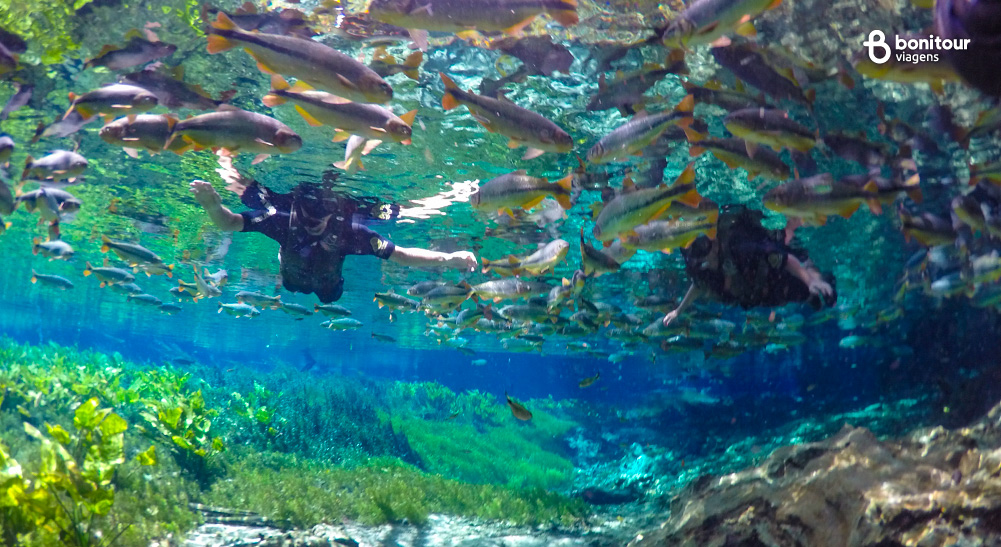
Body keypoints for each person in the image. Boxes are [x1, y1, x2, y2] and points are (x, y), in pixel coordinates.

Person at [190, 170, 477, 303]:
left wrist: (212, 203)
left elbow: (229, 222)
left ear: (282, 255)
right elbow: (400, 255)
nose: (312, 221)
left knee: (228, 169)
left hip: (304, 172)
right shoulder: (352, 235)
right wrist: (449, 258)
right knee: (402, 211)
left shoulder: (277, 221)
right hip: (349, 177)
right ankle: (457, 193)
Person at [662, 204, 836, 326]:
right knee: (791, 295)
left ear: (714, 242)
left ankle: (821, 283)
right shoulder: (699, 265)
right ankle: (812, 291)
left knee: (806, 288)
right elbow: (699, 285)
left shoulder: (740, 246)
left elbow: (787, 259)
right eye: (687, 247)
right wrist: (679, 311)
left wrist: (811, 280)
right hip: (760, 295)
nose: (696, 257)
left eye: (700, 246)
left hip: (778, 278)